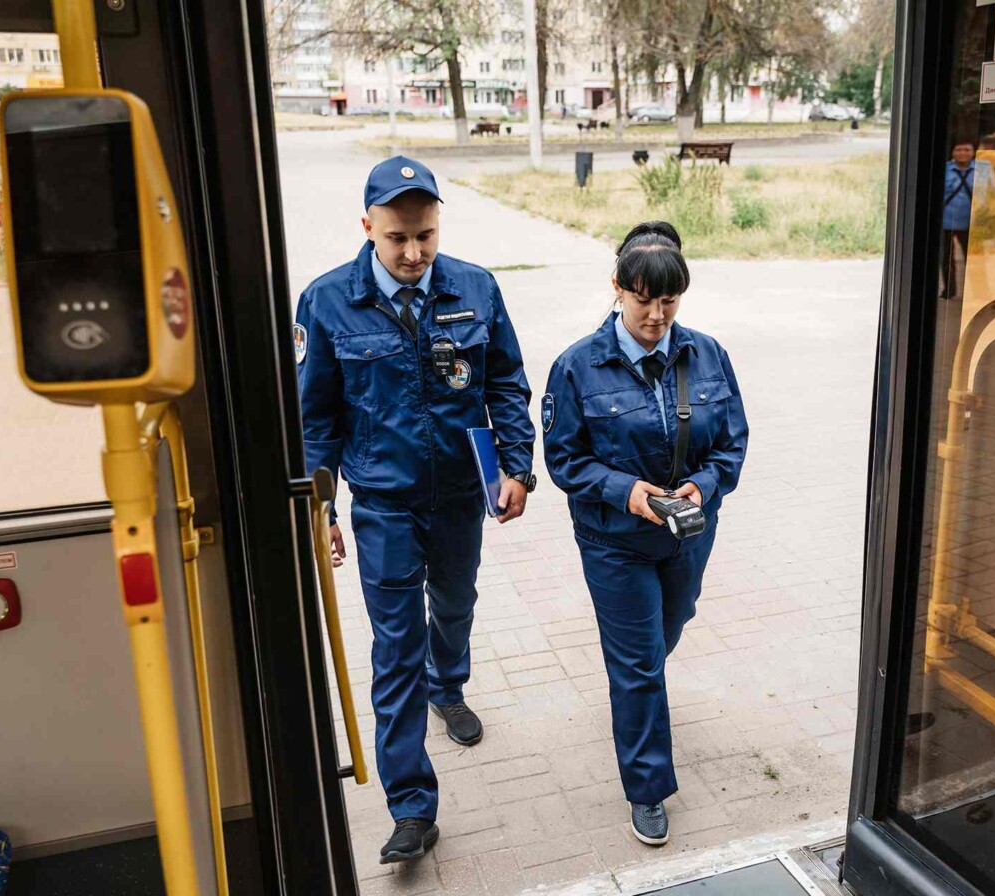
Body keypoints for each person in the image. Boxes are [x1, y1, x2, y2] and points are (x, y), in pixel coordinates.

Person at [294, 155, 537, 862]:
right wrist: (321, 509)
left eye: (425, 235)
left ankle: (448, 685)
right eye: (397, 237)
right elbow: (315, 420)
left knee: (455, 604)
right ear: (367, 227)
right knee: (395, 646)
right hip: (384, 504)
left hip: (461, 494)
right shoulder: (326, 302)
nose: (412, 253)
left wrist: (518, 466)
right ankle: (410, 807)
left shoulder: (476, 288)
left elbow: (505, 382)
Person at [541, 221, 748, 847]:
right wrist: (628, 492)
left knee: (667, 630)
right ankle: (648, 788)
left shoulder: (709, 355)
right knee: (636, 666)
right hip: (614, 541)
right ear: (617, 289)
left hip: (688, 535)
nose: (656, 316)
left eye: (669, 301)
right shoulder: (576, 366)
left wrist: (703, 486)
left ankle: (640, 696)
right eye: (643, 301)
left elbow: (732, 443)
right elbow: (565, 460)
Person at [941, 138, 995, 301]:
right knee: (946, 259)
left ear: (973, 152)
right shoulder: (945, 169)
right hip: (947, 220)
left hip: (973, 222)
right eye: (959, 150)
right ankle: (949, 291)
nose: (963, 153)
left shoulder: (983, 168)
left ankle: (980, 292)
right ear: (952, 152)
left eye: (967, 150)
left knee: (974, 259)